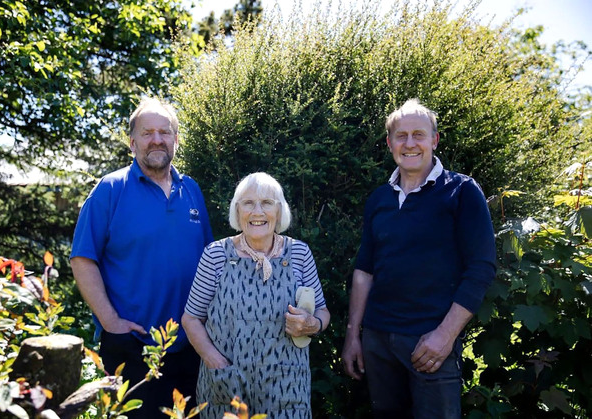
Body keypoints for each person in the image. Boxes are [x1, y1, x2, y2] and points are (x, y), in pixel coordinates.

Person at [341, 99, 496, 419]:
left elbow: (481, 267)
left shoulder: (462, 191)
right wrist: (353, 335)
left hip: (430, 343)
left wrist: (445, 335)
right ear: (389, 143)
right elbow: (364, 270)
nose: (409, 143)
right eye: (401, 136)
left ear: (434, 140)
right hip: (378, 342)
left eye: (419, 135)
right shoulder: (379, 199)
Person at [70, 97, 213, 418]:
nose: (157, 139)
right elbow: (82, 259)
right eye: (147, 133)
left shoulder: (191, 190)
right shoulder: (110, 189)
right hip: (132, 346)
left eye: (165, 132)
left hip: (190, 346)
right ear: (132, 142)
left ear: (176, 140)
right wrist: (111, 322)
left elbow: (209, 261)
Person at [182, 172, 330, 418]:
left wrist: (312, 324)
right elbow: (191, 319)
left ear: (279, 211)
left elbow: (323, 312)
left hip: (287, 391)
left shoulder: (300, 254)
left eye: (267, 203)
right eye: (248, 203)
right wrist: (216, 363)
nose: (257, 212)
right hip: (227, 389)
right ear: (237, 211)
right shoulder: (216, 255)